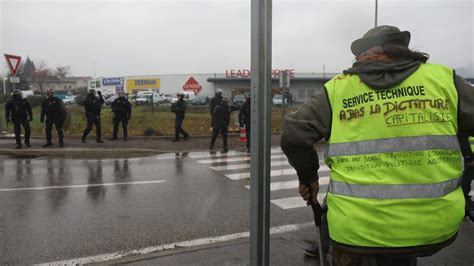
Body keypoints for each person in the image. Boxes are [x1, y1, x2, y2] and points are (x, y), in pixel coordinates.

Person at [281, 25, 474, 266]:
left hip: (357, 230)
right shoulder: (444, 80)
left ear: (372, 51)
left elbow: (293, 133)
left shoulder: (338, 89)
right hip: (430, 225)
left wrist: (308, 177)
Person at [458, 132, 474, 221]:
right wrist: (468, 157)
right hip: (472, 156)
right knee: (467, 178)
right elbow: (462, 136)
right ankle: (465, 204)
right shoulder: (468, 120)